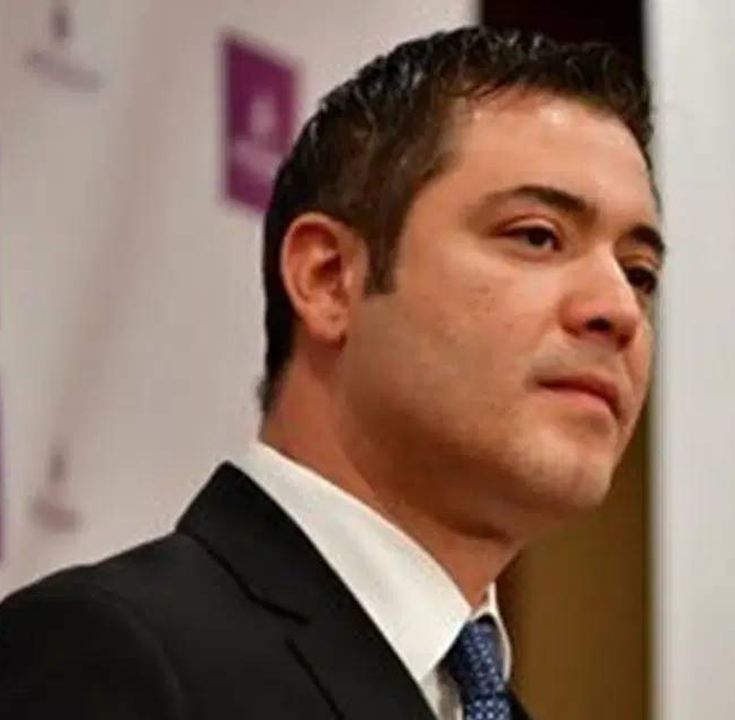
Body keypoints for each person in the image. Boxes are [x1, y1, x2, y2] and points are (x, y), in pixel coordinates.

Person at [0, 26, 661, 720]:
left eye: (640, 273)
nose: (619, 308)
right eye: (536, 236)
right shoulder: (109, 655)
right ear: (328, 278)